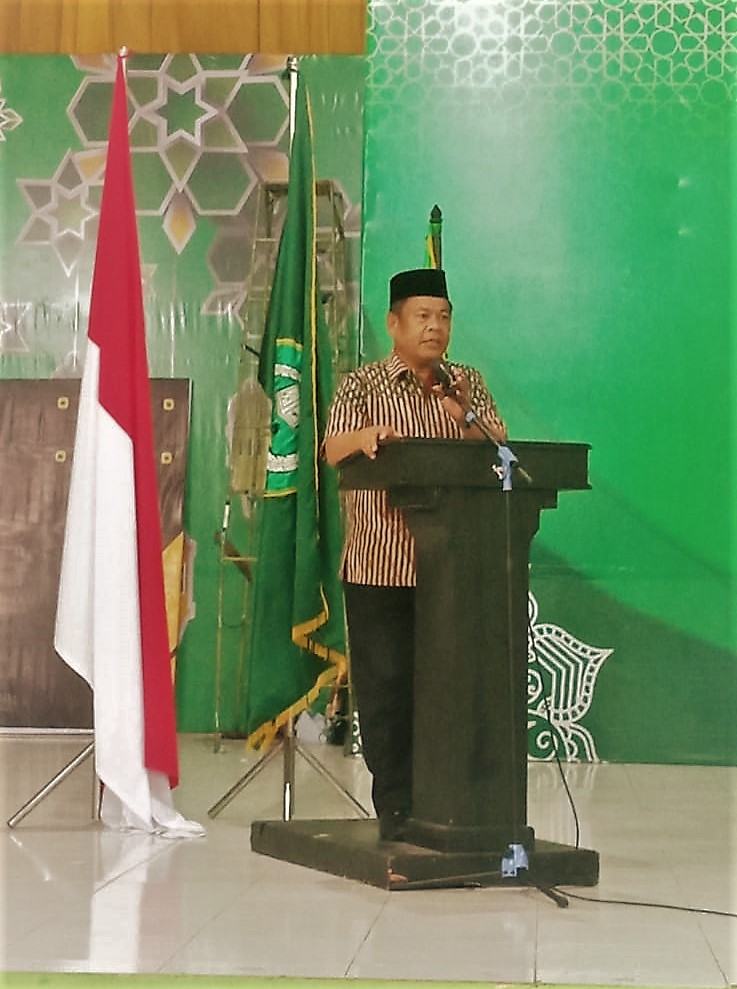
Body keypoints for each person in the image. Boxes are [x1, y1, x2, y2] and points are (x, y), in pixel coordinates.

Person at [323, 267, 507, 842]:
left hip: (452, 570)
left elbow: (500, 446)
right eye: (423, 316)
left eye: (443, 317)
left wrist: (464, 416)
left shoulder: (465, 383)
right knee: (388, 691)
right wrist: (367, 437)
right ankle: (397, 806)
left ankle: (445, 800)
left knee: (447, 690)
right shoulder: (363, 385)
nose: (435, 328)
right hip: (380, 565)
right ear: (394, 323)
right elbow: (332, 448)